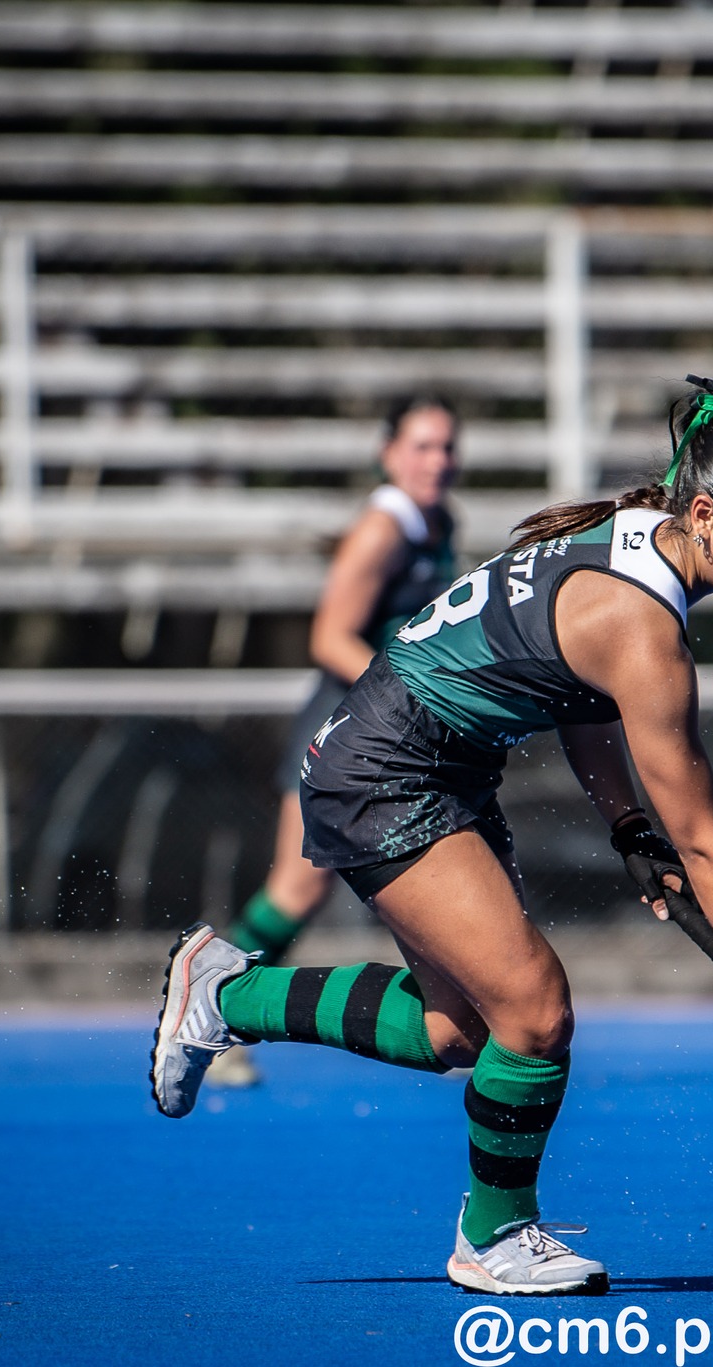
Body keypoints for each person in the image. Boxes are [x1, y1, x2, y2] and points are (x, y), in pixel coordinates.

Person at [149, 376, 713, 1296]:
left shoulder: (637, 535)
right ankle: (496, 1235)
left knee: (457, 1029)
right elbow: (709, 846)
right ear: (708, 513)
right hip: (387, 769)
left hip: (435, 764)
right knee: (536, 1008)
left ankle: (227, 993)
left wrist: (626, 819)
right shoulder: (646, 627)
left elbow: (579, 695)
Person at [206, 395, 460, 1088]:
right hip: (342, 726)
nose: (437, 460)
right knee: (295, 888)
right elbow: (329, 638)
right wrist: (412, 695)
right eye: (422, 446)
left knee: (312, 888)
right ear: (389, 453)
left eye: (447, 447)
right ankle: (213, 1000)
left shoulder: (435, 523)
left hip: (384, 731)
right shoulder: (383, 528)